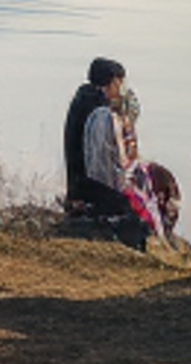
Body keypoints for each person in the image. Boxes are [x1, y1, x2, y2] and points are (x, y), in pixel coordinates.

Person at [63, 58, 179, 247]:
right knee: (146, 201)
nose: (122, 88)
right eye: (119, 82)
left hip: (81, 183)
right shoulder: (101, 116)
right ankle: (157, 238)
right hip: (91, 188)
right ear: (111, 83)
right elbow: (107, 166)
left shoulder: (85, 101)